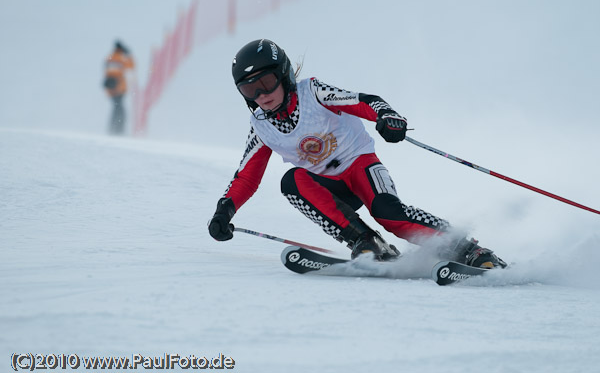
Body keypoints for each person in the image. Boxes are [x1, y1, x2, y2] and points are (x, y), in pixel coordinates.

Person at [208, 39, 506, 268]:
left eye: (266, 83)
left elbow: (364, 101)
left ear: (283, 74)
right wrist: (225, 210)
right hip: (330, 188)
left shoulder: (312, 92)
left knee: (388, 214)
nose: (262, 96)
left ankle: (469, 249)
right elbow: (247, 176)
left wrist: (388, 118)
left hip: (360, 166)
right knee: (291, 182)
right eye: (250, 91)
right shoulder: (261, 126)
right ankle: (367, 243)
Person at [103, 40, 135, 135]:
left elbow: (108, 72)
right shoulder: (121, 59)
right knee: (120, 110)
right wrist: (129, 55)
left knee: (116, 108)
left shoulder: (110, 58)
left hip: (110, 88)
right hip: (119, 88)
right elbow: (131, 66)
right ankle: (118, 130)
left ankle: (113, 129)